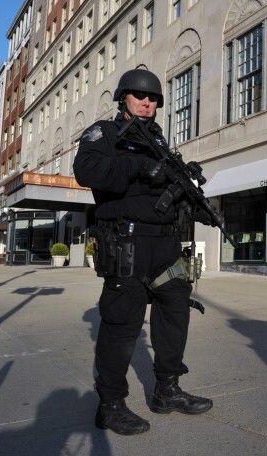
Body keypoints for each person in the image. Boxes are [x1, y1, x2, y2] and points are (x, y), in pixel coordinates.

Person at [73, 68, 213, 436]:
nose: (147, 101)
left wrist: (192, 197)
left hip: (165, 247)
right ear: (124, 98)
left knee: (176, 308)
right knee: (122, 323)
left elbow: (170, 192)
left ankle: (168, 389)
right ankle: (111, 404)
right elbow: (86, 171)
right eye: (139, 95)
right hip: (128, 244)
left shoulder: (161, 143)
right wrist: (139, 165)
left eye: (152, 98)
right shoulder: (103, 133)